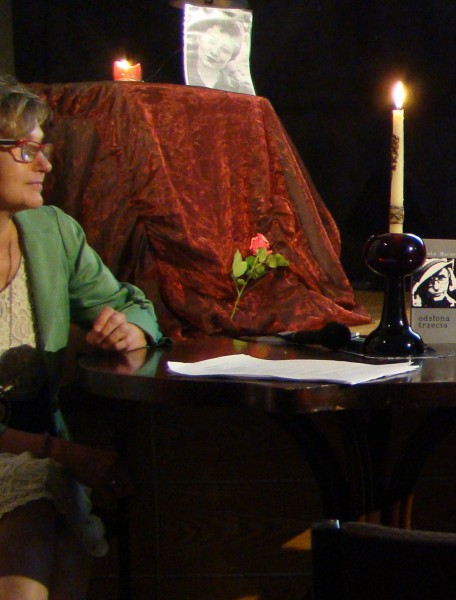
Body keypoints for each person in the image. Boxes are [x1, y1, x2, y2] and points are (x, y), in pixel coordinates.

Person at [0, 75, 164, 599]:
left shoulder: (51, 232)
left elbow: (133, 306)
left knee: (62, 541)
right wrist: (67, 454)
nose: (46, 165)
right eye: (26, 151)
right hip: (37, 454)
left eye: (42, 149)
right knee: (36, 520)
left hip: (39, 452)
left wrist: (128, 328)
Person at [184, 17, 255, 95]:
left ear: (231, 57)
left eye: (225, 50)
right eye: (212, 41)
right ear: (199, 38)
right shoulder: (180, 77)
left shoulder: (241, 90)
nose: (214, 52)